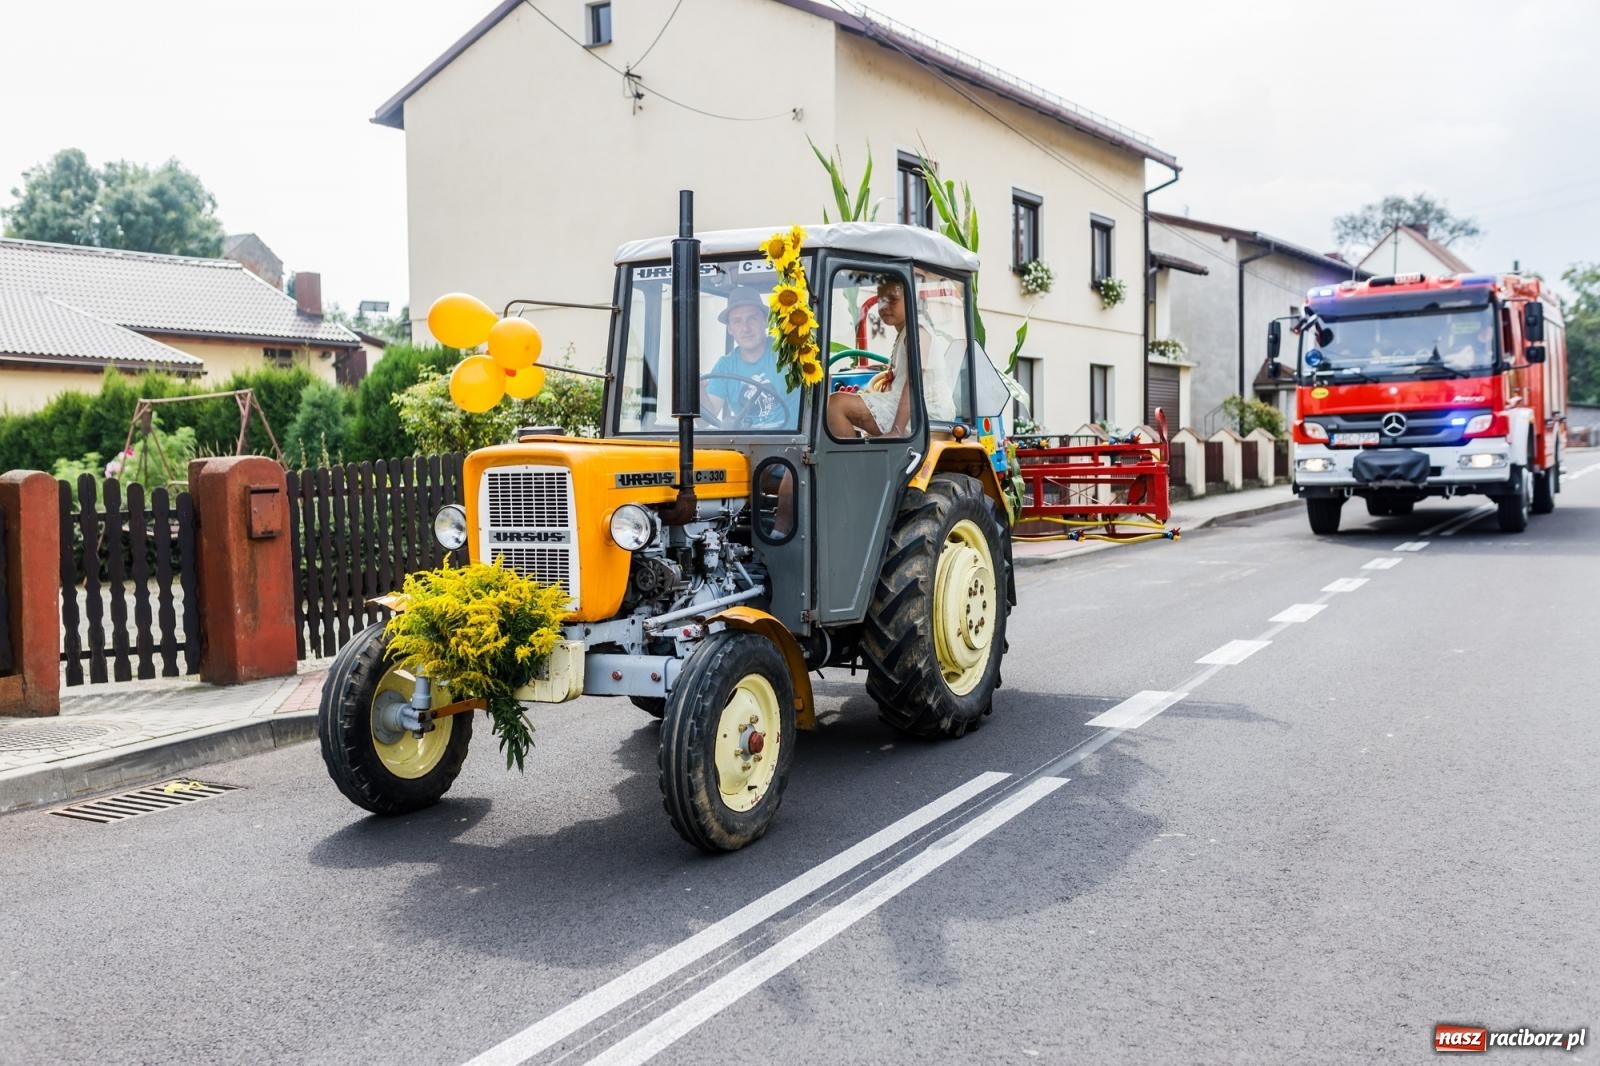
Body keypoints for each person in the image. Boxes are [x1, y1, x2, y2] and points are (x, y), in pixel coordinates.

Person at [826, 276, 952, 438]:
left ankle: (850, 463)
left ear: (912, 301)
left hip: (923, 412)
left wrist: (896, 430)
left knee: (836, 405)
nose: (884, 306)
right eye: (881, 300)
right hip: (908, 405)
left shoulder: (918, 332)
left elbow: (913, 382)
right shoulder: (906, 332)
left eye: (892, 300)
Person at [703, 287, 793, 429]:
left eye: (752, 318)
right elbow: (704, 422)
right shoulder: (725, 366)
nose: (745, 328)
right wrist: (699, 391)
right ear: (730, 329)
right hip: (744, 446)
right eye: (737, 321)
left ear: (765, 322)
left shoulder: (788, 353)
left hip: (788, 445)